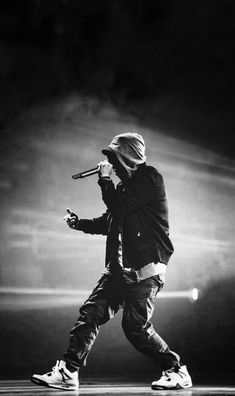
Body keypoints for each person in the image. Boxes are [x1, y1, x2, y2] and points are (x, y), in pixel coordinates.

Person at [31, 132, 192, 391]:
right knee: (90, 314)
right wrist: (79, 223)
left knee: (136, 329)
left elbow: (119, 207)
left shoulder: (150, 179)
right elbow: (110, 220)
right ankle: (68, 372)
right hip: (118, 271)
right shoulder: (123, 189)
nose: (111, 164)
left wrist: (104, 180)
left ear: (127, 157)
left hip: (144, 271)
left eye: (114, 158)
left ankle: (176, 370)